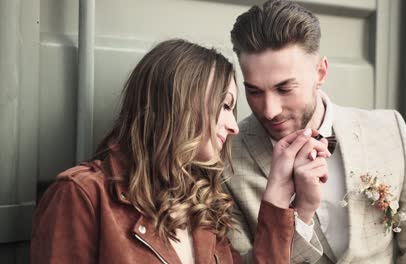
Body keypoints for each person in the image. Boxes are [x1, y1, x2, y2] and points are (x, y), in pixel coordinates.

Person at [30, 39, 327, 263]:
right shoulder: (81, 195)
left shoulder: (203, 206)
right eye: (224, 106)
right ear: (179, 104)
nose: (233, 125)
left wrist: (281, 194)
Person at [225, 0, 406, 263]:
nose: (270, 109)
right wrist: (300, 214)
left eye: (284, 89)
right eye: (254, 91)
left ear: (320, 72)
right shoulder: (225, 158)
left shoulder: (389, 132)